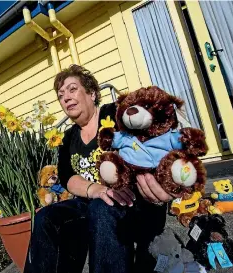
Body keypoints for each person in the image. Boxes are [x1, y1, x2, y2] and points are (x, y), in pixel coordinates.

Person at [24, 65, 174, 273]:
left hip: (135, 201)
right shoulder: (68, 138)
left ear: (92, 94)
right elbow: (67, 176)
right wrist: (95, 189)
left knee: (102, 208)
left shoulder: (115, 114)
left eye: (72, 89)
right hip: (91, 201)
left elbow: (152, 130)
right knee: (46, 217)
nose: (65, 97)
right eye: (60, 95)